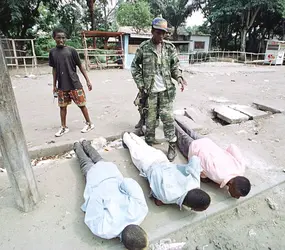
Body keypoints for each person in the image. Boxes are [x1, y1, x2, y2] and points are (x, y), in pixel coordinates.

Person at [73, 139, 149, 249]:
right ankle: (76, 146)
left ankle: (85, 143)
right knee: (85, 162)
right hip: (96, 179)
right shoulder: (104, 230)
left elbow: (128, 183)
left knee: (97, 158)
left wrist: (117, 185)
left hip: (111, 173)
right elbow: (95, 200)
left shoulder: (141, 211)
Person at [131, 17, 187, 162]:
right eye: (158, 33)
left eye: (163, 33)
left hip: (166, 91)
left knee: (168, 119)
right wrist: (141, 84)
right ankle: (149, 145)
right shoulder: (144, 48)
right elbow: (134, 67)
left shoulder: (169, 48)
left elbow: (175, 66)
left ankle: (172, 146)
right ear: (152, 31)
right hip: (150, 92)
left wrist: (179, 77)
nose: (161, 36)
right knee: (150, 122)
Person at [122, 132, 211, 211]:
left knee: (145, 147)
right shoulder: (167, 198)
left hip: (162, 159)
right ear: (190, 206)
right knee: (133, 148)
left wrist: (189, 169)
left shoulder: (195, 183)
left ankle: (132, 135)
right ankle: (126, 136)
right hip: (148, 165)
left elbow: (195, 159)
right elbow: (155, 193)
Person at [175, 116, 251, 199]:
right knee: (179, 133)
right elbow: (201, 164)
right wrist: (203, 177)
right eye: (237, 194)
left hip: (208, 143)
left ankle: (173, 116)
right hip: (195, 147)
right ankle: (166, 117)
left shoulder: (240, 168)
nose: (237, 197)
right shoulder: (218, 176)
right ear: (231, 183)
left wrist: (222, 153)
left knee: (188, 130)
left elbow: (232, 147)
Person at [49, 28, 95, 137]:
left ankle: (89, 124)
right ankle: (64, 127)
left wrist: (88, 81)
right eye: (58, 37)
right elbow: (54, 69)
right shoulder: (53, 52)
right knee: (62, 106)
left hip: (74, 83)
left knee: (81, 105)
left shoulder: (71, 50)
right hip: (61, 84)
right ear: (54, 38)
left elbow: (80, 66)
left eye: (63, 37)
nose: (61, 40)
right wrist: (54, 84)